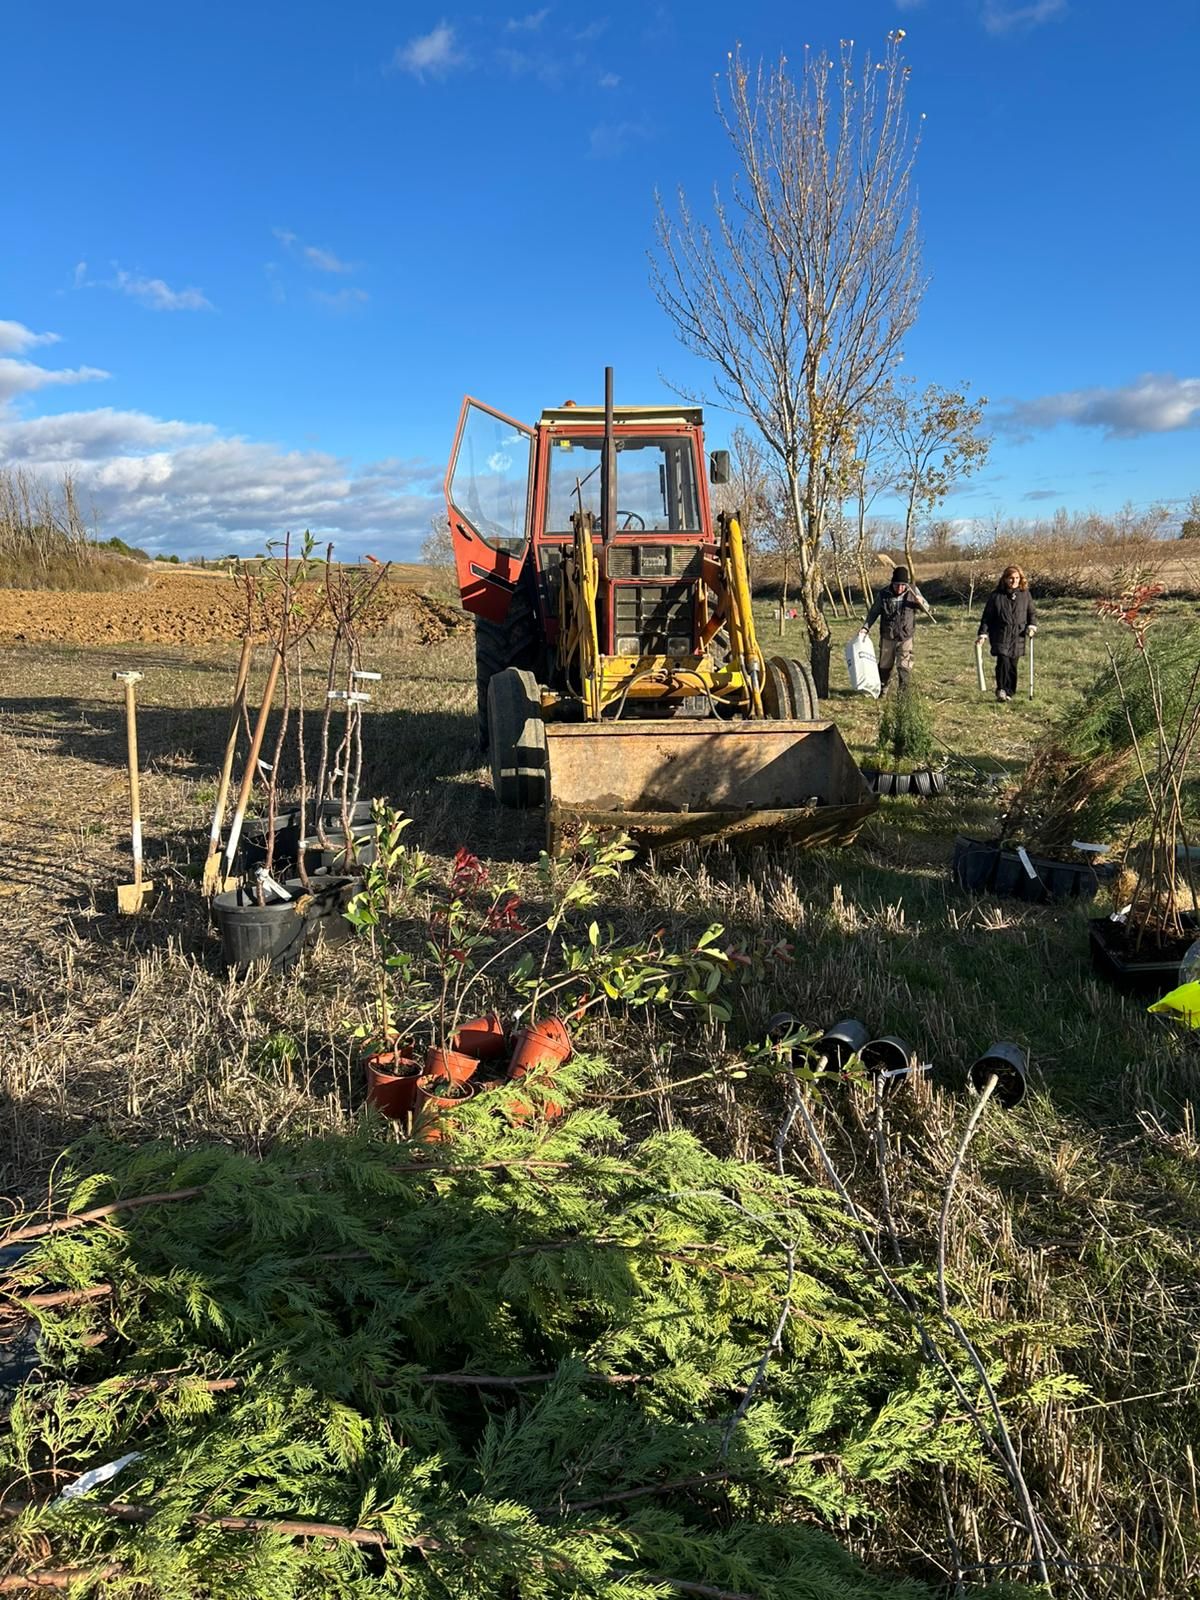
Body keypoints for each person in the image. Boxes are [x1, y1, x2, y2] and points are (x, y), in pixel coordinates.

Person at [859, 565, 933, 691]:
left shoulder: (913, 591)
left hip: (906, 636)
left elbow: (928, 609)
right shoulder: (883, 594)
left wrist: (920, 601)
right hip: (888, 636)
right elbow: (873, 612)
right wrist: (866, 628)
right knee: (885, 666)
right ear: (892, 583)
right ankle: (882, 689)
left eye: (903, 585)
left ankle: (903, 695)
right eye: (897, 585)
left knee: (904, 666)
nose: (900, 588)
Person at [977, 565, 1037, 701]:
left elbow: (1031, 613)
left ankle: (1010, 691)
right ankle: (1001, 689)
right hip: (1000, 634)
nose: (1014, 581)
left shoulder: (1025, 594)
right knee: (1003, 661)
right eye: (1011, 578)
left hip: (1018, 635)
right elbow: (987, 617)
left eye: (1017, 578)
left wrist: (1032, 626)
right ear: (1005, 579)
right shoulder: (996, 596)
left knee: (1012, 664)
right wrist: (982, 634)